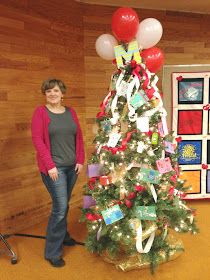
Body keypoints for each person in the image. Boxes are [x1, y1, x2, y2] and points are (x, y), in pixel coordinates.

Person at [31, 78, 85, 267]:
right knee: (60, 208)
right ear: (45, 94)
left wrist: (80, 159)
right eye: (48, 91)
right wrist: (50, 166)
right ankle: (52, 252)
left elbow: (78, 136)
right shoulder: (40, 112)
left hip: (72, 167)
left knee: (64, 204)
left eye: (55, 91)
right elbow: (38, 140)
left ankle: (64, 235)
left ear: (62, 93)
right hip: (54, 170)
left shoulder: (71, 112)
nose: (52, 94)